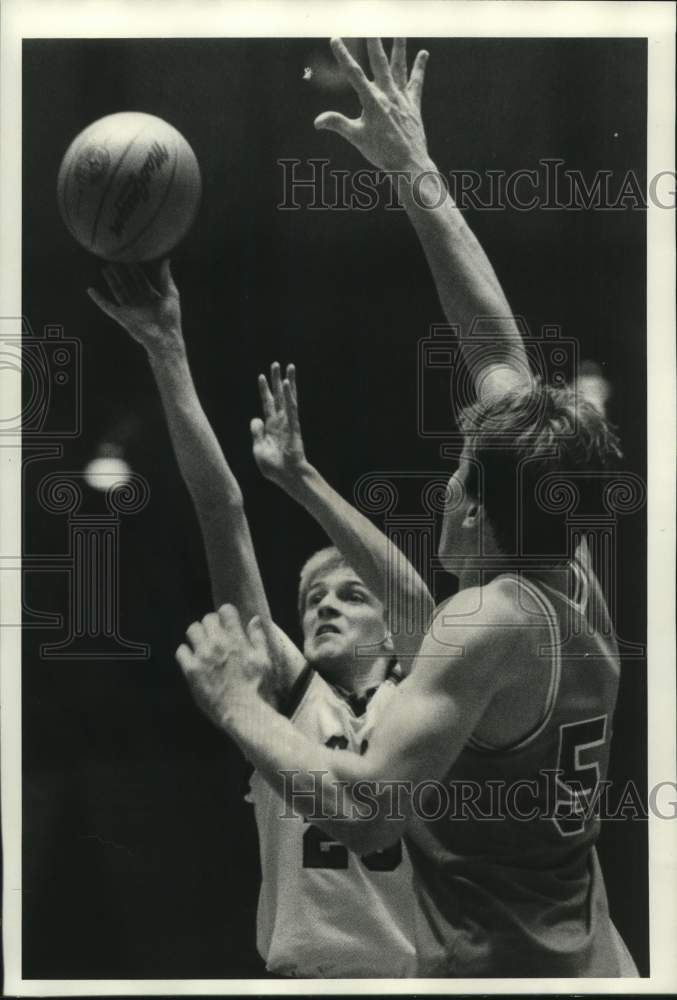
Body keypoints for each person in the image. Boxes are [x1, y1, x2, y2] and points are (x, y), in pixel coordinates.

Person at [177, 38, 638, 977]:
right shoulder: (565, 571)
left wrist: (235, 706)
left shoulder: (489, 620)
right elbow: (492, 344)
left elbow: (366, 808)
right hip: (594, 956)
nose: (445, 487)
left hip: (510, 975)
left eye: (459, 476)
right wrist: (412, 168)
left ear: (478, 516)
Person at [87, 261, 432, 977]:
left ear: (390, 635)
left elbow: (412, 600)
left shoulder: (431, 695)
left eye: (349, 595)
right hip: (305, 977)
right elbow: (222, 511)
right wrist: (167, 352)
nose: (325, 604)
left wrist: (304, 477)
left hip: (421, 977)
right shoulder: (285, 696)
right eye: (312, 599)